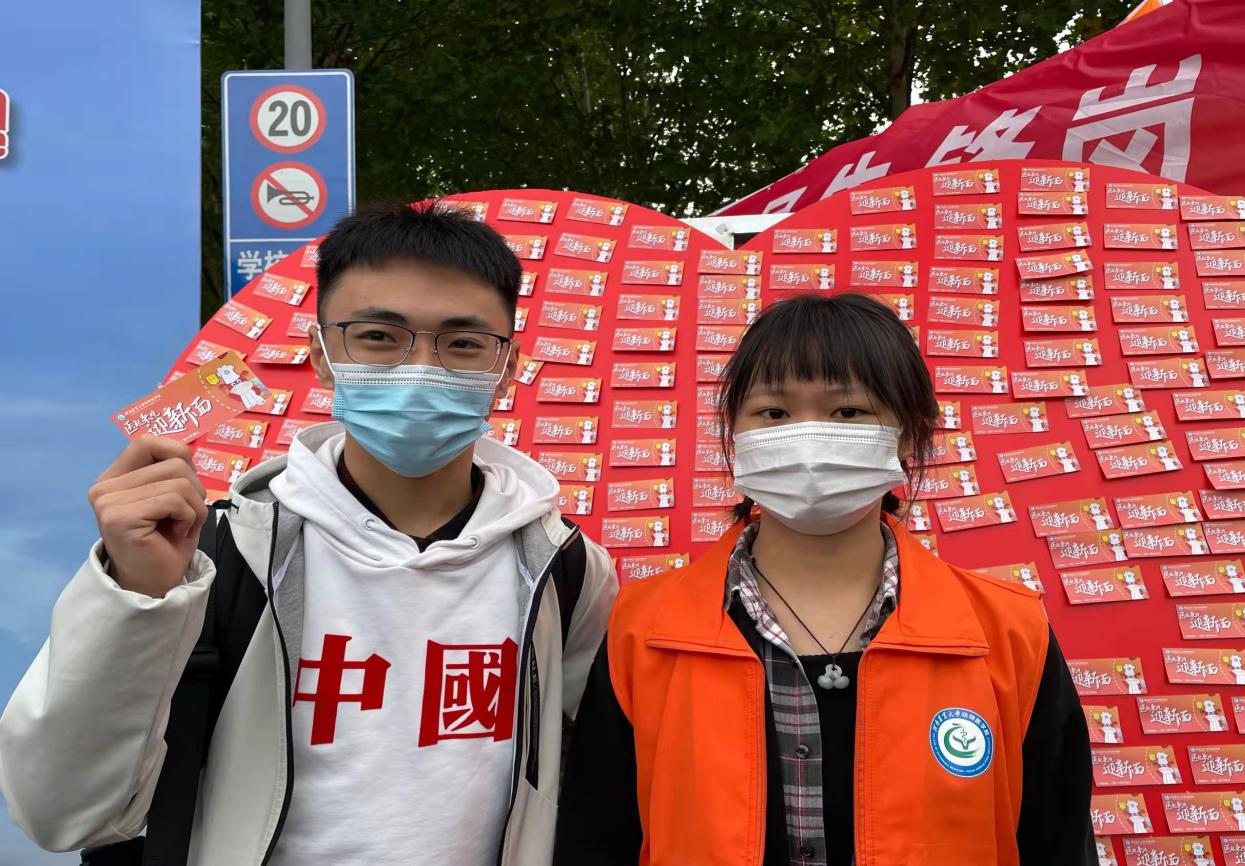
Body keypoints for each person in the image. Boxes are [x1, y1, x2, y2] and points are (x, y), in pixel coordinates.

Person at [0, 204, 617, 866]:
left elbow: (591, 769)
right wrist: (138, 598)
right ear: (321, 356)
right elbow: (61, 814)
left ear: (508, 367)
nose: (420, 368)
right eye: (378, 336)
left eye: (463, 344)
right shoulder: (209, 554)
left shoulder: (566, 568)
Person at [555, 293, 1096, 865]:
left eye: (848, 412)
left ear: (909, 433)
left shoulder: (1007, 632)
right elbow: (596, 840)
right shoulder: (644, 630)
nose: (808, 438)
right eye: (774, 413)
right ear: (734, 435)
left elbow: (1057, 841)